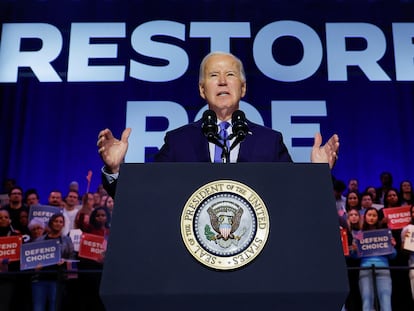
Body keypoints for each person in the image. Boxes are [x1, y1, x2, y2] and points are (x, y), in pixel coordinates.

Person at [97, 51, 340, 197]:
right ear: (202, 90)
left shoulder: (269, 140)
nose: (223, 81)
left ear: (243, 88)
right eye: (214, 76)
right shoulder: (178, 141)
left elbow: (294, 196)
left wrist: (318, 174)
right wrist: (115, 171)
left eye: (230, 75)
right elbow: (147, 196)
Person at [352, 207, 396, 311]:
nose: (371, 218)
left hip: (383, 269)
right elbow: (354, 257)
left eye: (374, 215)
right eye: (369, 215)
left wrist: (392, 247)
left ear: (378, 218)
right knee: (367, 300)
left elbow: (393, 256)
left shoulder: (385, 233)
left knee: (385, 300)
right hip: (365, 269)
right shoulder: (359, 235)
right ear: (364, 217)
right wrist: (354, 250)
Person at [31, 213, 75, 311]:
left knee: (54, 307)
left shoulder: (67, 240)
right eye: (56, 221)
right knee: (38, 308)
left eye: (60, 222)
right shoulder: (39, 240)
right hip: (39, 279)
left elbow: (72, 258)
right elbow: (32, 258)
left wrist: (65, 261)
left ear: (63, 225)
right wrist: (35, 267)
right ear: (51, 223)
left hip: (57, 279)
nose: (58, 224)